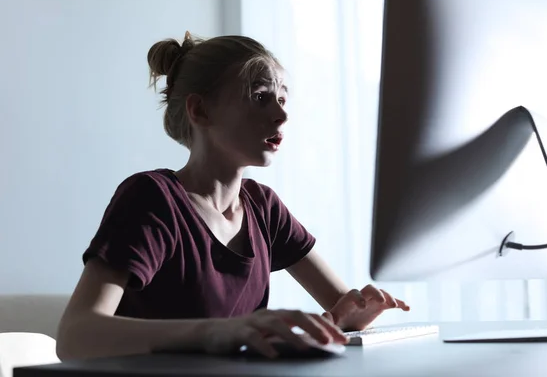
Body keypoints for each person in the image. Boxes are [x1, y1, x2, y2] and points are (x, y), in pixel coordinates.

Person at [56, 32, 410, 360]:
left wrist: (347, 317)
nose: (282, 115)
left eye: (283, 99)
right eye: (260, 98)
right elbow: (74, 336)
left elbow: (340, 308)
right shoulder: (152, 200)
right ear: (200, 110)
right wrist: (217, 332)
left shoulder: (264, 208)